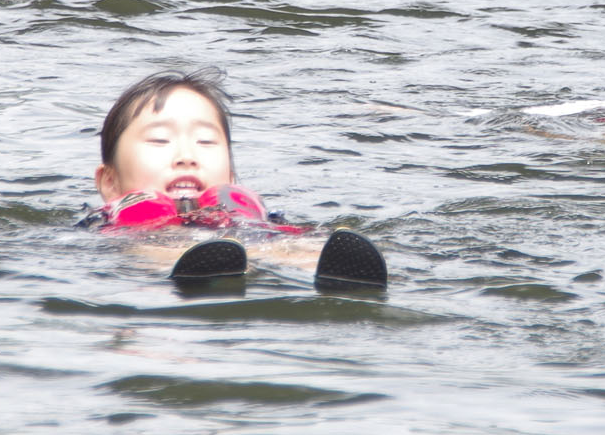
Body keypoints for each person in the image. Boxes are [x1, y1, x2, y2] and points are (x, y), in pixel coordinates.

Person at [89, 69, 387, 285]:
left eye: (205, 141)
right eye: (159, 140)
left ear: (230, 174)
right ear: (110, 182)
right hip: (155, 258)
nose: (186, 156)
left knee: (305, 244)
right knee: (143, 250)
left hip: (247, 245)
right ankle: (203, 269)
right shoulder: (100, 230)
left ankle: (339, 275)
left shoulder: (241, 214)